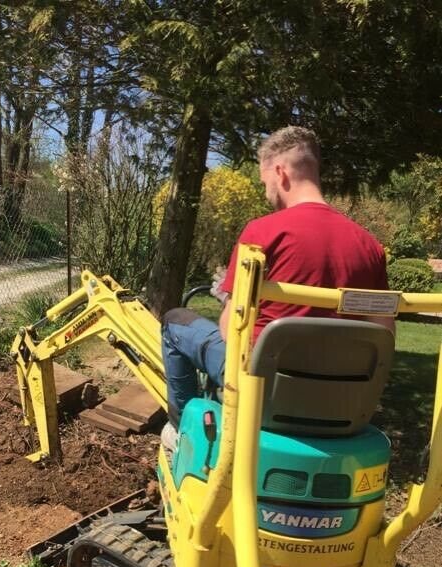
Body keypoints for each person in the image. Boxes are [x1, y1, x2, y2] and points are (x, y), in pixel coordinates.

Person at [161, 125, 394, 452]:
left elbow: (230, 331)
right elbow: (386, 334)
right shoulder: (370, 246)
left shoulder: (264, 232)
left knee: (174, 321)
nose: (266, 190)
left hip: (263, 390)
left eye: (265, 181)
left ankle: (180, 431)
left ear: (281, 172)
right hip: (340, 401)